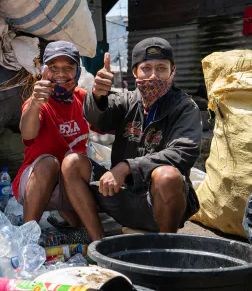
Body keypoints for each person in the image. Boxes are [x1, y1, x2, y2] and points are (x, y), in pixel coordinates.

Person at [61, 37, 202, 240]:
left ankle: (167, 248)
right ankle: (98, 243)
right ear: (135, 72)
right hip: (123, 196)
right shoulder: (125, 101)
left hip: (159, 203)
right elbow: (99, 120)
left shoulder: (185, 107)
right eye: (146, 68)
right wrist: (97, 95)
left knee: (167, 176)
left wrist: (127, 167)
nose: (154, 76)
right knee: (72, 162)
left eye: (161, 68)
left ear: (173, 71)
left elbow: (182, 153)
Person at [12, 41, 89, 226]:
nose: (61, 75)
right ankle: (29, 232)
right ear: (44, 71)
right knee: (48, 163)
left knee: (78, 165)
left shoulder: (84, 98)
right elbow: (28, 133)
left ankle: (81, 228)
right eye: (54, 68)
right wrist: (36, 103)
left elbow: (108, 124)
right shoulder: (37, 102)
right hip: (37, 181)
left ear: (78, 70)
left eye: (68, 68)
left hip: (72, 183)